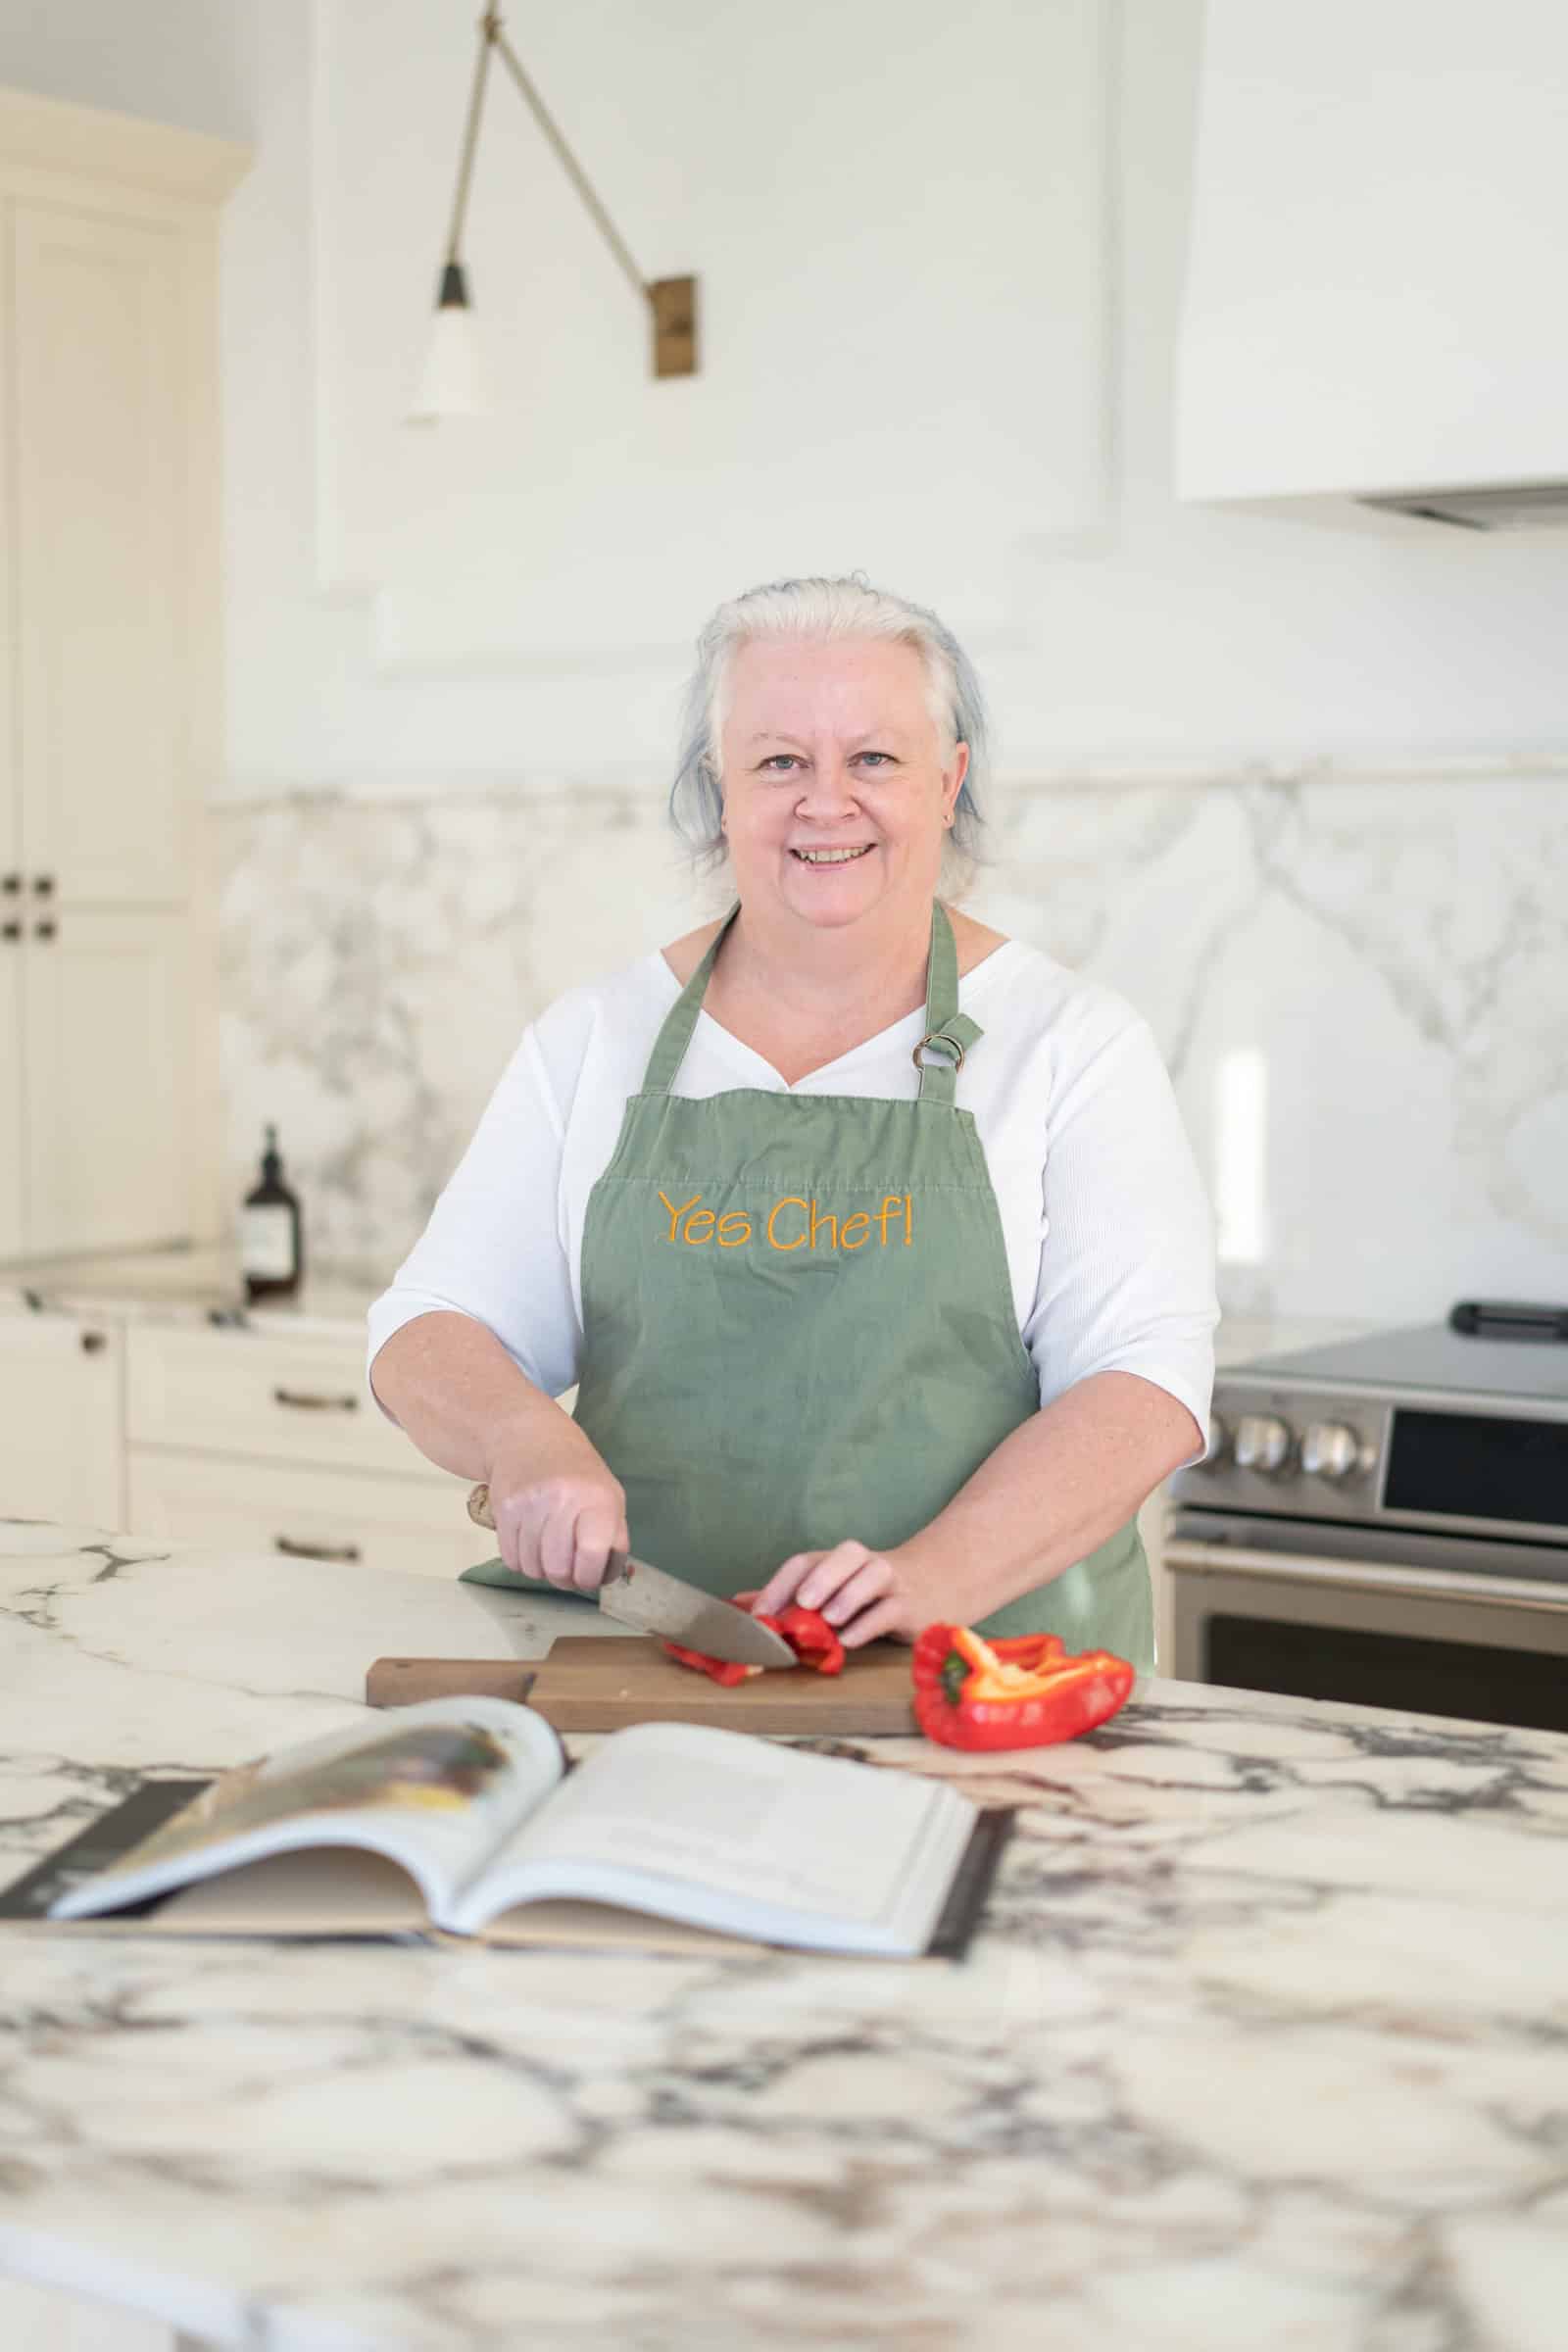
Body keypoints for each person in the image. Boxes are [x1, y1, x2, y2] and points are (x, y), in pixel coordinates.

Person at [367, 575, 1217, 1668]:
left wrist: (933, 1577)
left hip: (983, 1690)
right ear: (718, 789)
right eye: (778, 761)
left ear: (947, 782)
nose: (826, 801)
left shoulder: (1070, 1043)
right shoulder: (594, 1038)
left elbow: (1142, 1385)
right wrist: (521, 1435)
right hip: (643, 1672)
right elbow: (429, 1328)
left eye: (873, 759)